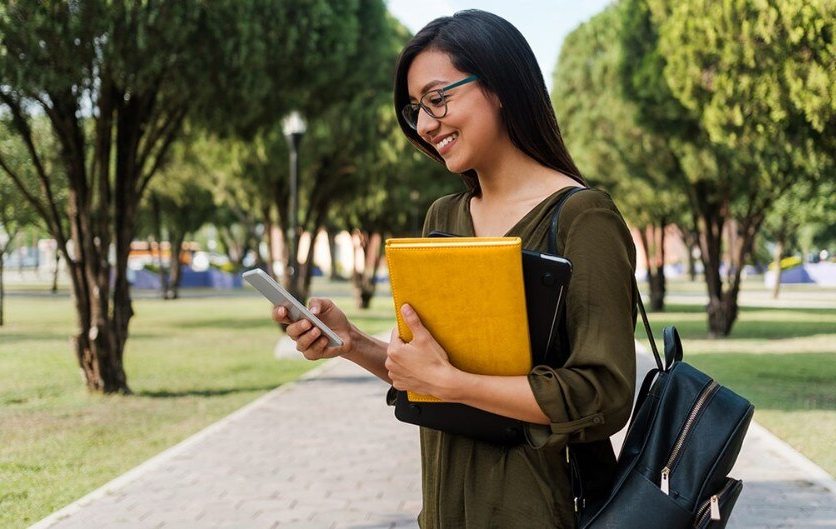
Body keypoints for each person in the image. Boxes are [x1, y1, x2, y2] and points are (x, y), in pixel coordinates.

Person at [272, 9, 637, 528]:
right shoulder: (443, 218)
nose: (424, 124)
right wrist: (351, 342)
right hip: (446, 511)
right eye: (416, 109)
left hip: (540, 512)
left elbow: (605, 394)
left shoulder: (583, 218)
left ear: (500, 84)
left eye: (438, 98)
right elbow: (428, 378)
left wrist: (454, 383)